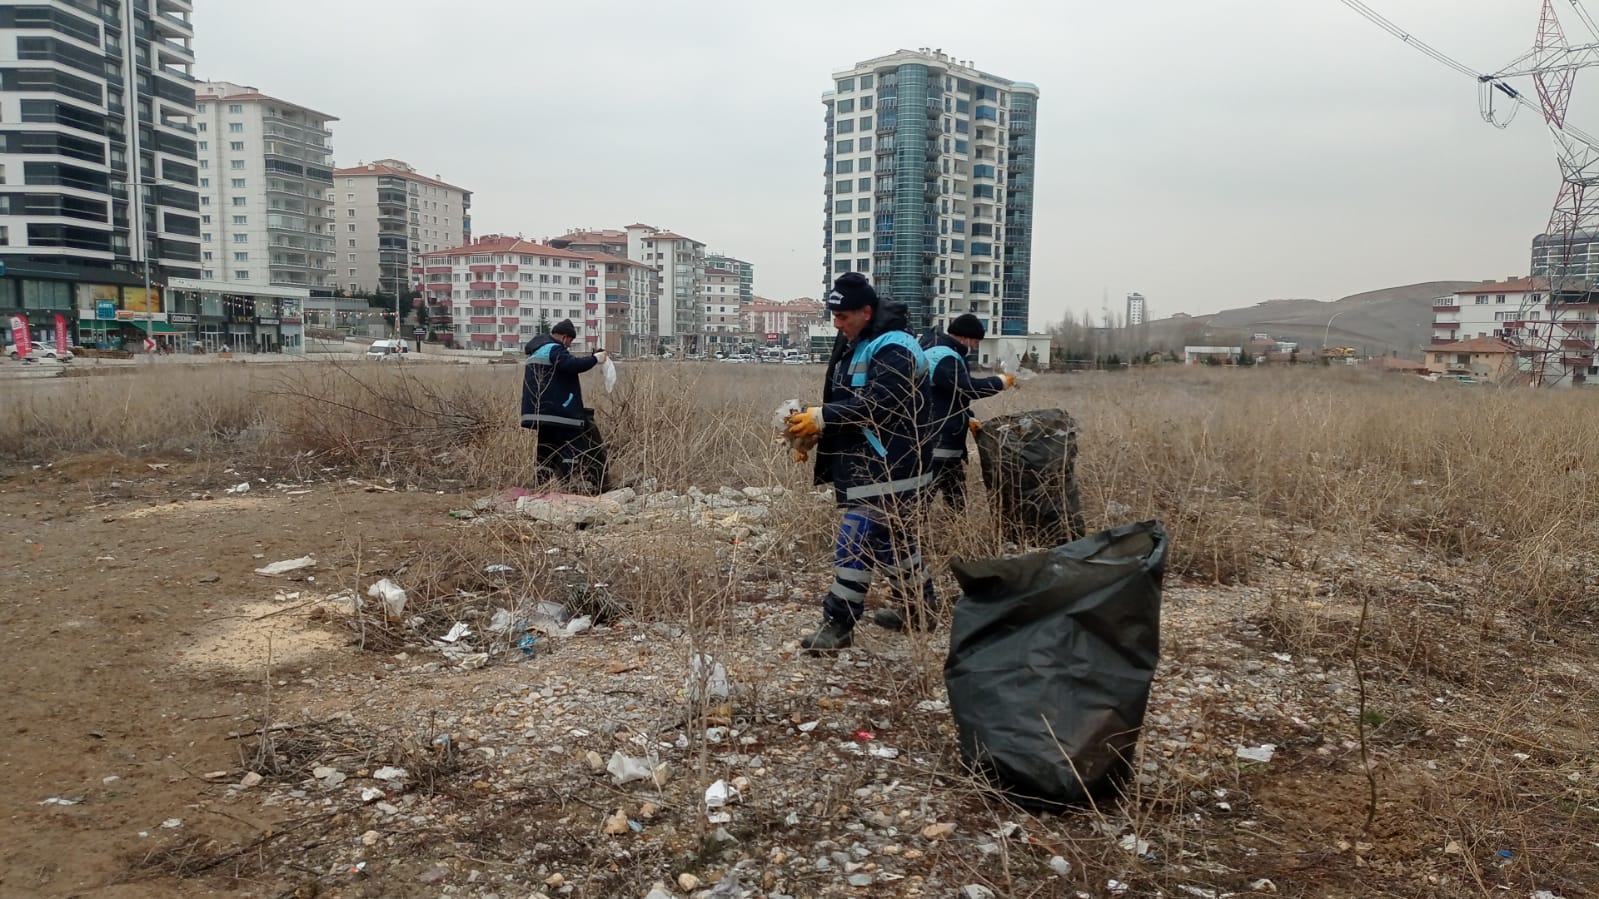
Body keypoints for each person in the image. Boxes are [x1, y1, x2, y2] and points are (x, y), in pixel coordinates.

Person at [785, 272, 936, 652]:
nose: (837, 324)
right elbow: (847, 400)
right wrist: (813, 432)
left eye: (844, 316)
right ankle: (920, 610)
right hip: (870, 463)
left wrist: (823, 418)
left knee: (855, 541)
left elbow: (881, 404)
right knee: (893, 543)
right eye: (833, 315)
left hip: (894, 464)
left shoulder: (895, 348)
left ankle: (838, 623)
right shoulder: (856, 341)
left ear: (866, 311)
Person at [919, 313, 1016, 511]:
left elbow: (947, 396)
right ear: (964, 337)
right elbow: (967, 387)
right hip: (937, 444)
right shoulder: (943, 356)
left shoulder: (939, 350)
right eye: (975, 342)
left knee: (955, 500)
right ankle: (916, 538)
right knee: (926, 502)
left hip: (942, 443)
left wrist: (967, 417)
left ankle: (950, 535)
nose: (975, 347)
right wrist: (1000, 382)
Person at [521, 319, 611, 494]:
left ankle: (541, 486)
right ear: (564, 337)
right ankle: (567, 485)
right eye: (570, 342)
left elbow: (564, 364)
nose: (569, 346)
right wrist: (595, 359)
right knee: (571, 446)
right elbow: (571, 365)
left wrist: (590, 358)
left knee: (545, 449)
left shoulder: (539, 350)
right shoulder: (554, 348)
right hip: (559, 412)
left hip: (540, 413)